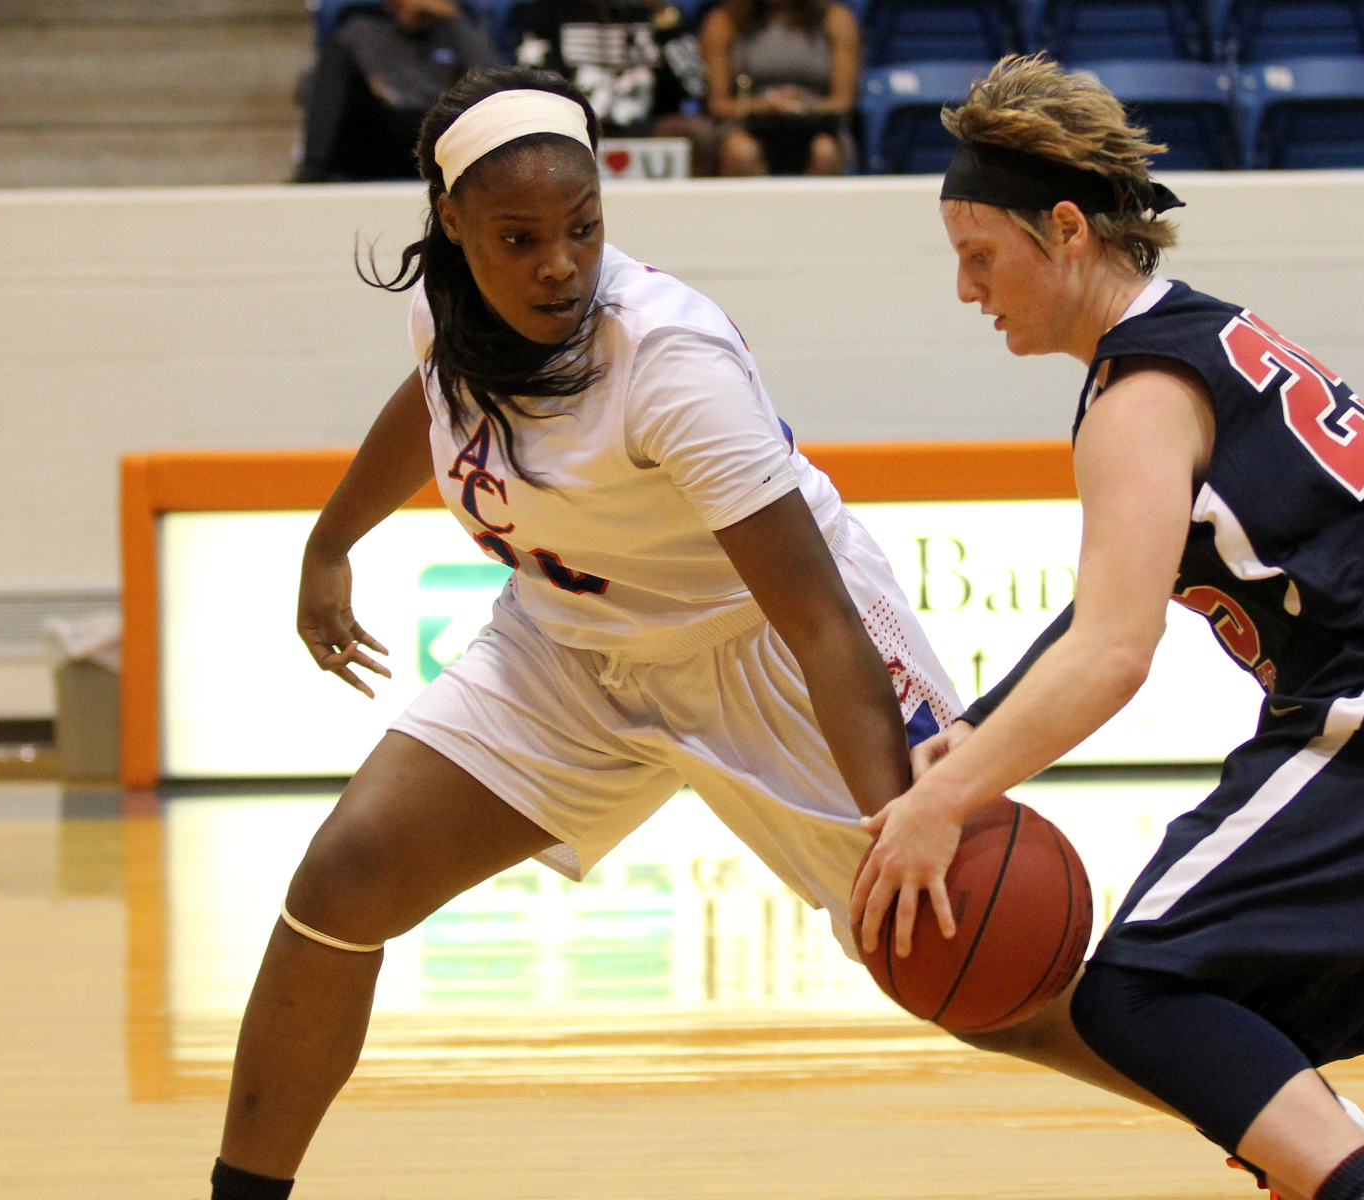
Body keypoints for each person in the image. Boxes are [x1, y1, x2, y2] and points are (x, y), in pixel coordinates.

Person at [210, 66, 957, 1200]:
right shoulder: (452, 308)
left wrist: (896, 818)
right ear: (452, 225)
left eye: (582, 229)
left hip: (765, 647)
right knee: (344, 877)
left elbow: (816, 617)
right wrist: (330, 542)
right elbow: (432, 395)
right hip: (570, 649)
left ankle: (1284, 1127)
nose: (558, 262)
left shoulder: (668, 360)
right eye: (519, 237)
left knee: (972, 963)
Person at [850, 55, 1364, 1200]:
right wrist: (977, 724)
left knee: (1136, 993)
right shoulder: (1212, 337)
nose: (969, 291)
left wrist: (946, 797)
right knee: (1231, 1030)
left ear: (1066, 229)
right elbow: (1105, 610)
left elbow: (1114, 656)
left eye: (980, 258)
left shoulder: (1139, 393)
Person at [295, 0, 503, 182]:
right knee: (335, 58)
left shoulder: (454, 36)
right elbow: (315, 91)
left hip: (436, 135)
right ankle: (312, 173)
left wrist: (454, 18)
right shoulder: (361, 32)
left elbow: (496, 82)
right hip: (377, 134)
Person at [506, 0, 718, 172]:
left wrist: (664, 18)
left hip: (646, 125)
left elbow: (695, 86)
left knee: (700, 133)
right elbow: (533, 82)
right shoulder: (548, 10)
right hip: (575, 125)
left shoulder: (655, 12)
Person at [700, 0, 860, 175]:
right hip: (746, 123)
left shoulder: (835, 19)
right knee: (741, 152)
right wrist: (768, 105)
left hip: (816, 121)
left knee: (825, 151)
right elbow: (717, 104)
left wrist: (801, 106)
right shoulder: (724, 21)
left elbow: (843, 103)